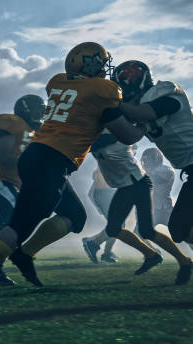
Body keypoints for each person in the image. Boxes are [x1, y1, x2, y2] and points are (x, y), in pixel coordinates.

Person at [0, 42, 155, 300]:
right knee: (18, 227)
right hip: (51, 160)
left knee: (74, 216)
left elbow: (86, 105)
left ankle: (24, 254)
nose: (105, 68)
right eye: (101, 63)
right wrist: (145, 126)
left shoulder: (58, 82)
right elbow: (126, 135)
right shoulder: (103, 90)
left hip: (41, 157)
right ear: (91, 64)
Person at [113, 60, 193, 283]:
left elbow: (143, 112)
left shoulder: (165, 93)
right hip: (190, 170)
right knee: (179, 229)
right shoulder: (142, 107)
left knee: (179, 227)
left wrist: (111, 104)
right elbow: (130, 136)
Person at [81, 130, 190, 284]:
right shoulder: (101, 136)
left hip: (135, 184)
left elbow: (92, 142)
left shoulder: (109, 136)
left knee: (130, 229)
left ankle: (166, 258)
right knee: (138, 230)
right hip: (132, 184)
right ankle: (167, 258)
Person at [0, 94, 46, 286]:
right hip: (0, 182)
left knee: (11, 227)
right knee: (14, 224)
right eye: (38, 109)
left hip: (14, 185)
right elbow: (5, 159)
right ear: (27, 110)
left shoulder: (35, 131)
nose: (41, 114)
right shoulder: (10, 122)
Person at [82, 167, 118, 263]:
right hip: (106, 195)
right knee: (118, 226)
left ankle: (95, 244)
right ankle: (95, 245)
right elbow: (91, 192)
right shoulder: (108, 167)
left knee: (117, 226)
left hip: (108, 195)